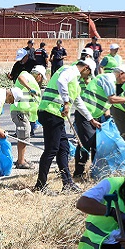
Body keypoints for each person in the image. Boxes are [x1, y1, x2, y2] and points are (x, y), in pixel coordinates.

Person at [33, 59, 90, 192]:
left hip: (55, 115)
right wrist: (65, 102)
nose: (87, 77)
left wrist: (90, 119)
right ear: (86, 68)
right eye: (89, 73)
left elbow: (78, 101)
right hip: (51, 112)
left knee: (63, 149)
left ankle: (67, 183)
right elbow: (61, 81)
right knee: (52, 149)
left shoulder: (74, 80)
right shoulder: (69, 71)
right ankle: (40, 185)